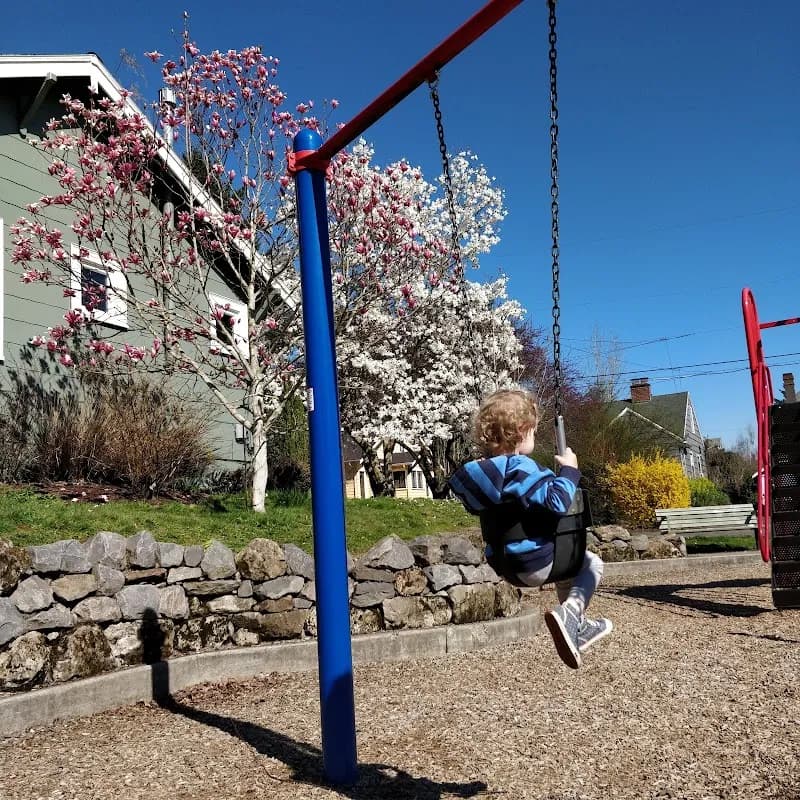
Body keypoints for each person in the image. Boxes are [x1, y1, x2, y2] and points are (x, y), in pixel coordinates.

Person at [449, 389, 612, 669]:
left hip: (506, 565)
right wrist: (569, 471)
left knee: (568, 569)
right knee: (591, 564)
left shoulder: (480, 475)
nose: (534, 437)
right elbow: (557, 501)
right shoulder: (522, 468)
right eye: (534, 432)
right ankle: (573, 613)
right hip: (537, 561)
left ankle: (577, 627)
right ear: (522, 431)